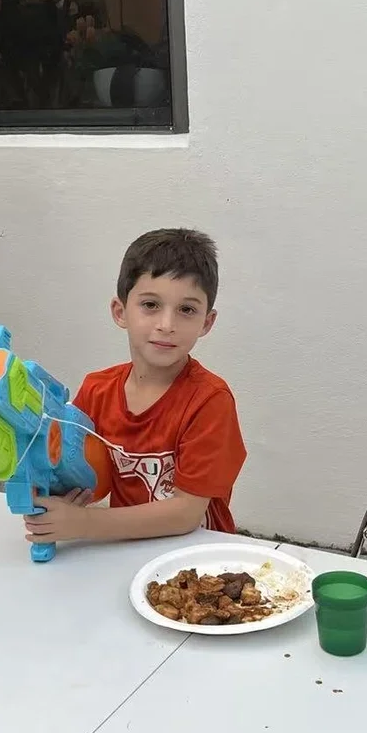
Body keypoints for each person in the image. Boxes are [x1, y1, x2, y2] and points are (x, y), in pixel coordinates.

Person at [24, 228, 246, 548]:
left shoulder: (210, 401)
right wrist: (42, 481)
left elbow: (185, 513)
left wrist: (83, 523)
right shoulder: (97, 391)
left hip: (201, 558)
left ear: (206, 323)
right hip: (125, 549)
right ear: (120, 312)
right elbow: (80, 473)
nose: (166, 324)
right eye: (151, 305)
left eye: (186, 309)